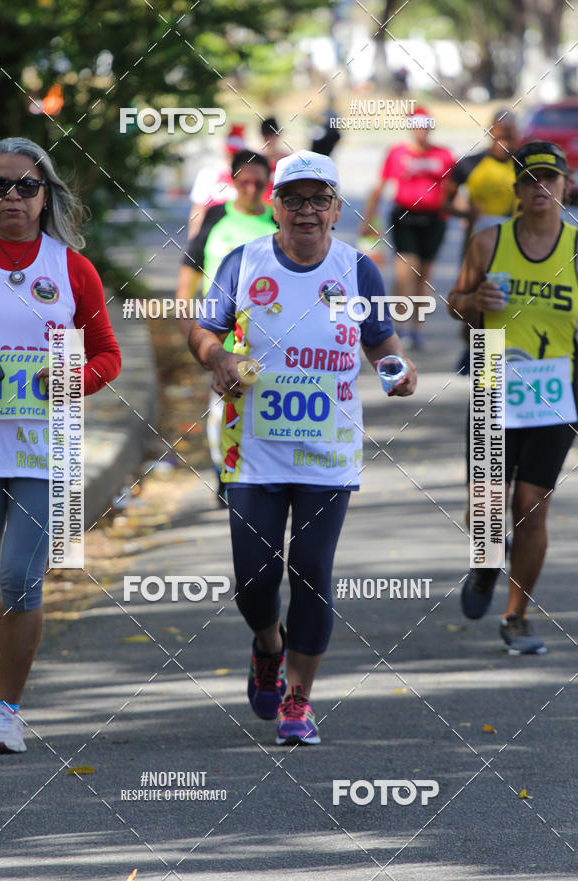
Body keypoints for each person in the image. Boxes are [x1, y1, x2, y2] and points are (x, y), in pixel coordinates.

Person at [189, 149, 417, 744]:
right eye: (295, 199)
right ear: (276, 206)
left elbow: (381, 341)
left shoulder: (358, 268)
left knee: (313, 572)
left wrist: (396, 368)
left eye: (320, 200)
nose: (307, 210)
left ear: (337, 209)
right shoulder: (245, 261)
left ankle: (298, 700)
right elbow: (203, 331)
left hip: (329, 449)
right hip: (255, 447)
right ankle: (268, 644)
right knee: (254, 581)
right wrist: (219, 357)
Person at [0, 137, 121, 752]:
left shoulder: (71, 268)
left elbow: (107, 356)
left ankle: (8, 709)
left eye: (26, 186)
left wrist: (71, 378)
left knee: (18, 582)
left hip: (43, 449)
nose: (13, 196)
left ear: (46, 196)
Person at [447, 141, 576, 655]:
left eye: (550, 179)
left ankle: (516, 616)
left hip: (554, 391)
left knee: (531, 506)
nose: (541, 189)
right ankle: (483, 563)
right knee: (486, 507)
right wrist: (473, 301)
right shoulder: (488, 242)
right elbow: (455, 306)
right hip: (492, 382)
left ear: (565, 186)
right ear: (517, 189)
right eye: (531, 180)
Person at [176, 150, 278, 501]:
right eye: (244, 181)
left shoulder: (278, 220)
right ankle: (224, 472)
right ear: (233, 182)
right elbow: (191, 263)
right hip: (220, 328)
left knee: (262, 399)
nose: (251, 188)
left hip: (267, 330)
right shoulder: (216, 216)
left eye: (259, 182)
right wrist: (184, 314)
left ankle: (261, 470)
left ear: (268, 184)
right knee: (222, 401)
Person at [360, 108, 455, 351]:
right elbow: (380, 186)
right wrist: (369, 218)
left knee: (424, 275)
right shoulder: (397, 152)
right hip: (405, 217)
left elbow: (453, 189)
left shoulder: (444, 154)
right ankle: (398, 327)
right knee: (405, 273)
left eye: (425, 126)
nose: (421, 131)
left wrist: (463, 212)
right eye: (417, 126)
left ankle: (416, 329)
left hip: (434, 219)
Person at [445, 109, 519, 374]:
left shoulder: (523, 166)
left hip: (514, 247)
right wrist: (466, 213)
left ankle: (501, 356)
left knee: (504, 302)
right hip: (476, 246)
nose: (505, 145)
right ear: (490, 133)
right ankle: (471, 349)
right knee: (471, 301)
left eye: (510, 138)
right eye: (500, 138)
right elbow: (447, 200)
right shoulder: (470, 164)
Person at [186, 124, 246, 238]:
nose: (232, 157)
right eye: (230, 152)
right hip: (212, 236)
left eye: (236, 153)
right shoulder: (208, 174)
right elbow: (198, 211)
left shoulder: (249, 178)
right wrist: (193, 241)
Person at [259, 117, 288, 204]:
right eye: (266, 135)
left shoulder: (288, 160)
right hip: (263, 204)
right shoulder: (257, 160)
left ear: (278, 134)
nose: (269, 139)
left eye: (272, 134)